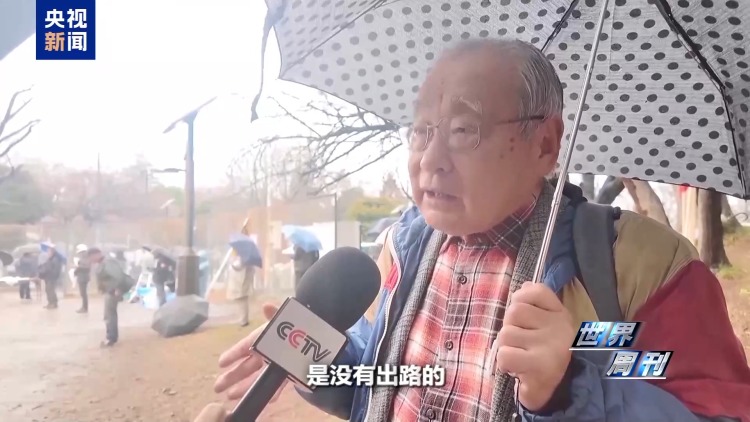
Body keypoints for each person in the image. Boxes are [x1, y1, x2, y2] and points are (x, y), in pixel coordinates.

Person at [197, 40, 750, 422]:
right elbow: (379, 380)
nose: (429, 160)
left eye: (464, 130)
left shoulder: (645, 267)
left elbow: (712, 409)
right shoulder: (402, 248)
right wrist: (312, 357)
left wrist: (569, 388)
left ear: (545, 144)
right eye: (421, 130)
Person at [88, 247, 134, 347]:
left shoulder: (108, 262)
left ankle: (111, 338)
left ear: (97, 254)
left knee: (109, 315)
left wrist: (117, 288)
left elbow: (118, 276)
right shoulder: (103, 263)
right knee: (109, 314)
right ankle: (111, 336)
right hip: (110, 290)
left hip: (113, 291)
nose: (91, 260)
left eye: (91, 257)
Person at [226, 255, 255, 327]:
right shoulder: (249, 263)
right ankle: (243, 320)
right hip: (243, 285)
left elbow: (237, 267)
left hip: (241, 286)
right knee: (242, 304)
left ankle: (243, 321)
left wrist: (231, 262)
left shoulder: (242, 262)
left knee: (242, 304)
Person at [73, 244, 91, 313]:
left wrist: (78, 268)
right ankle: (84, 307)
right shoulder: (84, 257)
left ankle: (85, 308)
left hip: (83, 277)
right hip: (82, 277)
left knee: (83, 293)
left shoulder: (85, 257)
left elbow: (86, 267)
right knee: (83, 293)